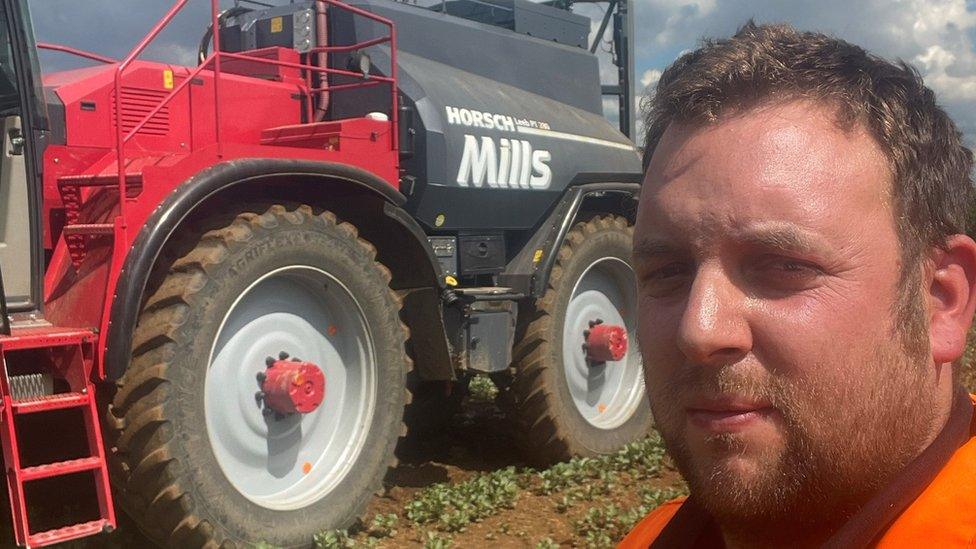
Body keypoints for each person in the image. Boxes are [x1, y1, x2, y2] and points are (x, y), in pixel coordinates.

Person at [623, 21, 976, 548]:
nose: (699, 331)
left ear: (940, 301)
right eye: (669, 272)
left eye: (781, 266)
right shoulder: (650, 539)